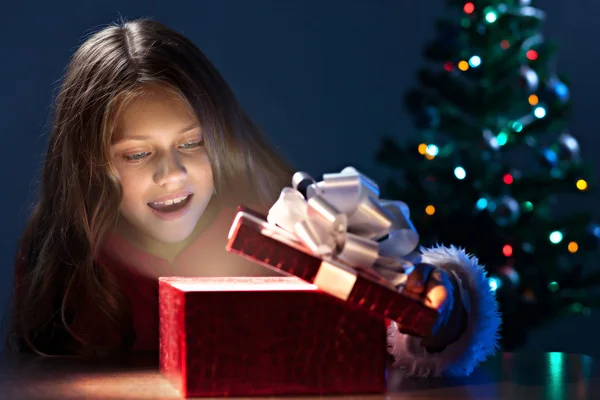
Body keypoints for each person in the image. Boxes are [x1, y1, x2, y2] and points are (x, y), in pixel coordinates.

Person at [6, 18, 500, 378]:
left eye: (192, 143)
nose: (170, 173)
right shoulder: (62, 257)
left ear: (220, 139)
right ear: (93, 165)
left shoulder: (288, 233)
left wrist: (442, 305)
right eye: (136, 155)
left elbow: (401, 339)